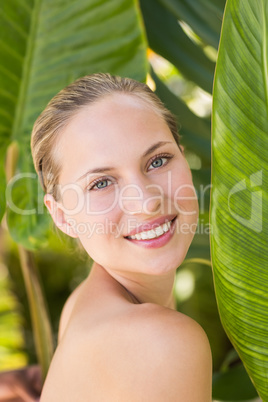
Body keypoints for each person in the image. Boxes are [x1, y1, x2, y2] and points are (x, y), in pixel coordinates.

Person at [30, 73, 212, 401]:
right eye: (101, 183)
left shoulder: (85, 302)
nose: (146, 202)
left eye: (158, 161)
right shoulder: (160, 341)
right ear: (62, 216)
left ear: (183, 157)